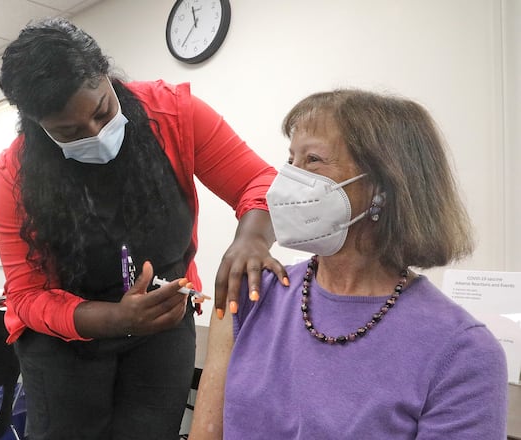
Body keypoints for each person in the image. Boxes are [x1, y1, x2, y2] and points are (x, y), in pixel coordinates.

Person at [0, 17, 286, 440]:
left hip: (162, 328)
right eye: (70, 132)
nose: (95, 133)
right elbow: (25, 295)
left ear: (107, 76)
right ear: (38, 124)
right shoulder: (14, 176)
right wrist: (113, 318)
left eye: (102, 111)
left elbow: (257, 182)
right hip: (65, 344)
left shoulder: (174, 115)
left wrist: (252, 239)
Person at [189, 89, 508, 439]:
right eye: (291, 160)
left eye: (313, 160)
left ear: (383, 187)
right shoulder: (249, 294)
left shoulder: (462, 352)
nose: (286, 182)